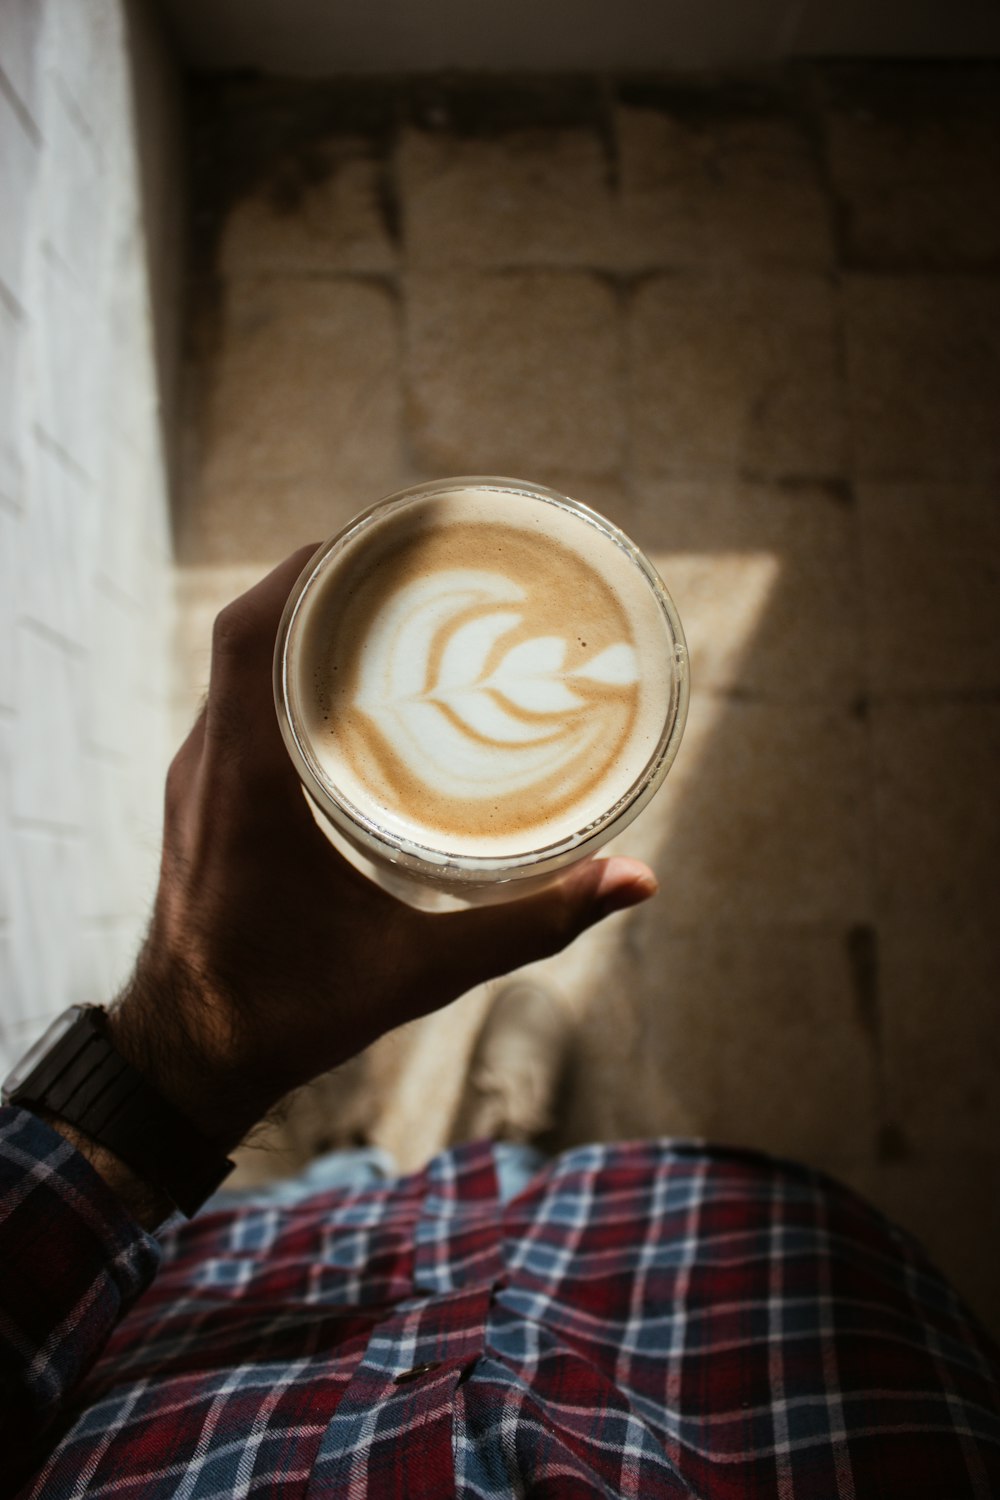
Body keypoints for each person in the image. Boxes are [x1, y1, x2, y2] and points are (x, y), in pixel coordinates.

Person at [2, 547, 998, 1499]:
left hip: (225, 1308)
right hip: (667, 1271)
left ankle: (345, 1149)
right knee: (471, 1183)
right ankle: (498, 1144)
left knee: (312, 1193)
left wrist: (181, 1067)